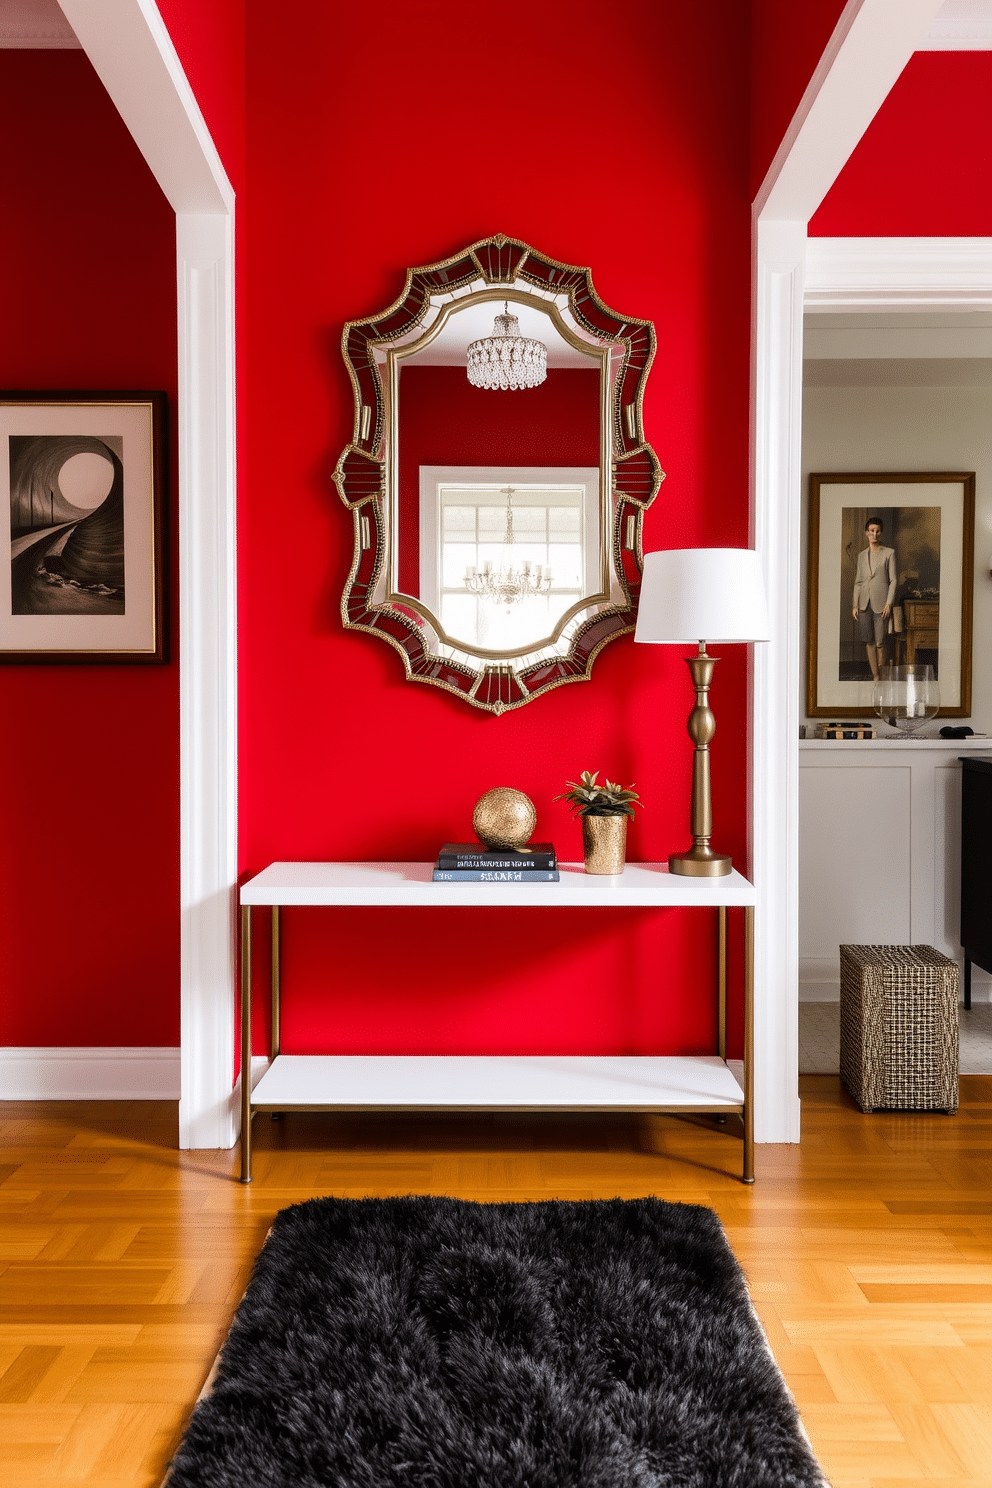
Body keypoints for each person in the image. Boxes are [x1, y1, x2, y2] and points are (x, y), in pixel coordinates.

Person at [852, 516, 897, 681]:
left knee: (880, 642)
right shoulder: (861, 555)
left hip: (881, 604)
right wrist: (854, 605)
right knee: (868, 642)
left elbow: (893, 581)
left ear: (881, 532)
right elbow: (858, 582)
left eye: (877, 531)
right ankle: (876, 676)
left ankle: (882, 673)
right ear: (866, 533)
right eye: (871, 531)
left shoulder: (889, 553)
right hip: (864, 604)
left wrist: (889, 603)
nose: (874, 534)